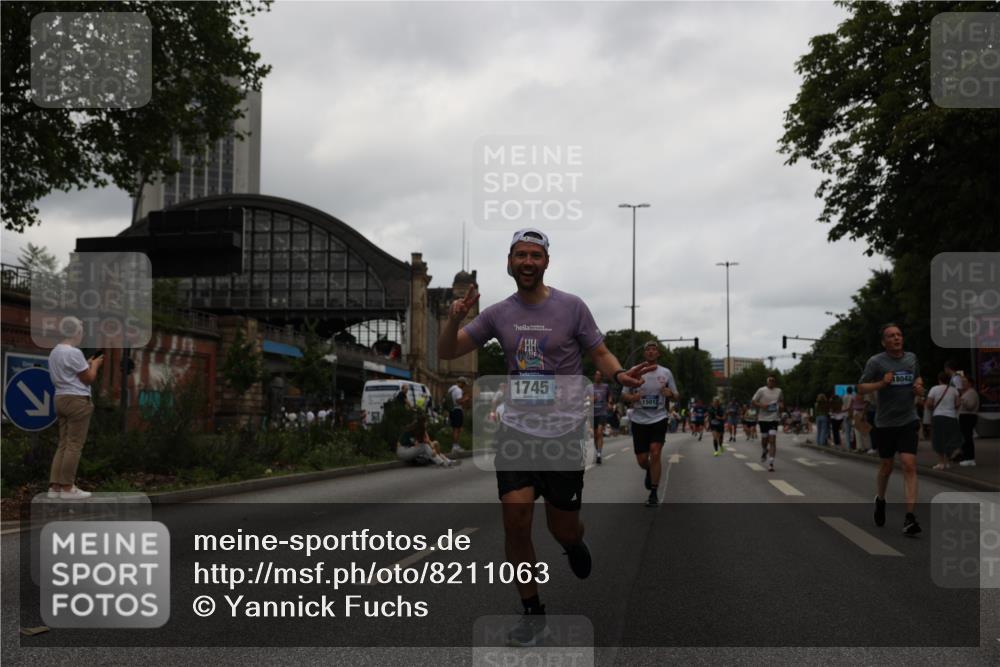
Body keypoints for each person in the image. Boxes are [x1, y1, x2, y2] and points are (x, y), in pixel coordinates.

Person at [436, 228, 653, 646]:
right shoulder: (499, 313)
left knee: (562, 529)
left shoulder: (572, 307)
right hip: (517, 432)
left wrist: (619, 374)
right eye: (521, 255)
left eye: (536, 255)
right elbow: (448, 351)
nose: (528, 261)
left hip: (563, 435)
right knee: (516, 522)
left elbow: (600, 351)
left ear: (546, 262)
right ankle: (533, 613)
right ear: (510, 261)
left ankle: (573, 544)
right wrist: (453, 320)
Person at [857, 323, 924, 536]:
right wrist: (880, 384)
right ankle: (881, 499)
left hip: (908, 420)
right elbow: (861, 387)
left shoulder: (911, 358)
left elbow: (918, 378)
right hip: (885, 423)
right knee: (886, 466)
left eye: (899, 335)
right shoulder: (876, 362)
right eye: (891, 336)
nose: (896, 338)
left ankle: (910, 517)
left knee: (909, 465)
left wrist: (919, 387)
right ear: (884, 342)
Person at [47, 316, 103, 500]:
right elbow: (88, 379)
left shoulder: (55, 352)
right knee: (74, 445)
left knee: (63, 443)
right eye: (81, 331)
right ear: (76, 332)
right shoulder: (74, 352)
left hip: (60, 398)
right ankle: (67, 488)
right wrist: (94, 365)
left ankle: (55, 487)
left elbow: (72, 372)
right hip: (77, 400)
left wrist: (85, 364)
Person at [621, 341, 679, 506]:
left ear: (658, 354)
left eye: (654, 349)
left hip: (659, 418)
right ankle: (649, 470)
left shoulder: (666, 373)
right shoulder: (635, 372)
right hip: (639, 420)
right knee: (641, 460)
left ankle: (653, 493)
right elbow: (624, 394)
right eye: (648, 350)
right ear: (644, 354)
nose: (651, 352)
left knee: (655, 452)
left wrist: (670, 394)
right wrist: (633, 398)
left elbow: (676, 394)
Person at [926, 371, 961, 470]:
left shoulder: (934, 389)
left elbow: (929, 404)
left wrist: (933, 408)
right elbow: (958, 404)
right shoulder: (954, 390)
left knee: (939, 440)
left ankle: (941, 463)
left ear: (939, 379)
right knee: (949, 438)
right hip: (951, 417)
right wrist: (950, 408)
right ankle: (948, 461)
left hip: (938, 417)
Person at [752, 375, 783, 472]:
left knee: (772, 440)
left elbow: (781, 402)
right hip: (763, 418)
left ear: (775, 382)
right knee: (765, 439)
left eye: (773, 380)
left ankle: (771, 463)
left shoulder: (779, 391)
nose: (771, 382)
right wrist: (762, 405)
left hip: (774, 418)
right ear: (767, 381)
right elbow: (753, 401)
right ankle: (764, 450)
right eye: (769, 380)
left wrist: (781, 407)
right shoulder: (761, 390)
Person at [590, 370, 613, 464]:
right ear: (594, 376)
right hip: (592, 413)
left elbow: (610, 396)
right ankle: (598, 451)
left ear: (601, 377)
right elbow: (585, 398)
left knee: (600, 432)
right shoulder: (590, 387)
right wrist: (591, 400)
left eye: (599, 375)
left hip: (602, 413)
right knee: (595, 435)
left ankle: (599, 454)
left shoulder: (606, 386)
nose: (597, 376)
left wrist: (610, 402)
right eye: (596, 375)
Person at [956, 374, 979, 466]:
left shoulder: (972, 392)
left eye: (964, 382)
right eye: (962, 382)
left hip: (968, 417)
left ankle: (970, 458)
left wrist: (962, 400)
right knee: (965, 437)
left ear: (970, 383)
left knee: (967, 437)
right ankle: (966, 457)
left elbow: (971, 406)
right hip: (964, 416)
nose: (962, 383)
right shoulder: (966, 392)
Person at [446, 377, 471, 453]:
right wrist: (466, 398)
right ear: (460, 383)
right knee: (457, 429)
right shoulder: (458, 390)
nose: (464, 386)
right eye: (463, 384)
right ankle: (455, 446)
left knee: (455, 429)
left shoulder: (451, 389)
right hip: (457, 410)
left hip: (452, 410)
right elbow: (458, 401)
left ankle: (455, 445)